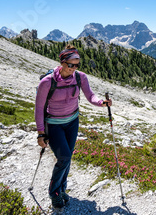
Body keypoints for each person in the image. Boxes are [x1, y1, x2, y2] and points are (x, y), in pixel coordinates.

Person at [35, 45, 112, 212]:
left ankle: (62, 189)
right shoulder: (47, 82)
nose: (74, 68)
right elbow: (39, 108)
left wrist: (101, 102)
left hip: (72, 121)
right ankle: (54, 193)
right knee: (63, 158)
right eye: (71, 65)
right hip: (53, 124)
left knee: (67, 157)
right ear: (62, 63)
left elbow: (90, 95)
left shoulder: (80, 77)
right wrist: (41, 133)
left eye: (77, 65)